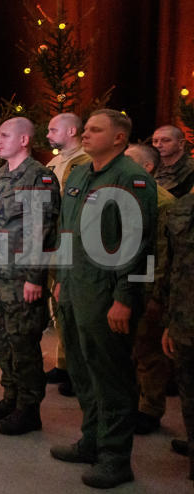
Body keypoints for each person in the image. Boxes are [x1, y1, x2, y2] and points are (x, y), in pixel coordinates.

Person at [50, 109, 156, 489]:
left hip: (107, 295)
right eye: (87, 128)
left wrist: (125, 298)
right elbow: (66, 230)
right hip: (74, 289)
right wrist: (61, 278)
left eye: (96, 130)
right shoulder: (80, 174)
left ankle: (115, 458)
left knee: (111, 378)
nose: (86, 134)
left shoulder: (132, 178)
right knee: (82, 371)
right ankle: (91, 441)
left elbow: (141, 246)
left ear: (119, 138)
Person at [0, 117, 60, 435]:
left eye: (4, 135)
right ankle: (10, 398)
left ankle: (28, 409)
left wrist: (35, 278)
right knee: (0, 341)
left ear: (24, 140)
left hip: (21, 279)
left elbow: (42, 231)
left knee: (23, 345)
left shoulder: (40, 177)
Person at [124, 143, 176, 436]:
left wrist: (157, 296)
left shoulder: (162, 201)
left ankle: (150, 409)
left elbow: (165, 254)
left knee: (149, 352)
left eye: (129, 159)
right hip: (126, 284)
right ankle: (130, 403)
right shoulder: (123, 196)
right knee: (129, 351)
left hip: (148, 286)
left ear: (147, 167)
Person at [44, 113, 91, 396]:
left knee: (74, 309)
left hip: (74, 243)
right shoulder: (54, 163)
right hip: (55, 242)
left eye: (53, 130)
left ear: (71, 130)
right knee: (58, 307)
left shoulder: (86, 162)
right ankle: (64, 361)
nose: (48, 134)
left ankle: (79, 369)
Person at [158, 193, 194, 484]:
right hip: (183, 317)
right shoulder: (183, 206)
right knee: (188, 389)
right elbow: (172, 266)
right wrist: (169, 321)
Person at [152, 124, 194, 197]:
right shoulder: (152, 165)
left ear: (181, 143)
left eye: (166, 140)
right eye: (155, 141)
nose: (158, 145)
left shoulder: (191, 168)